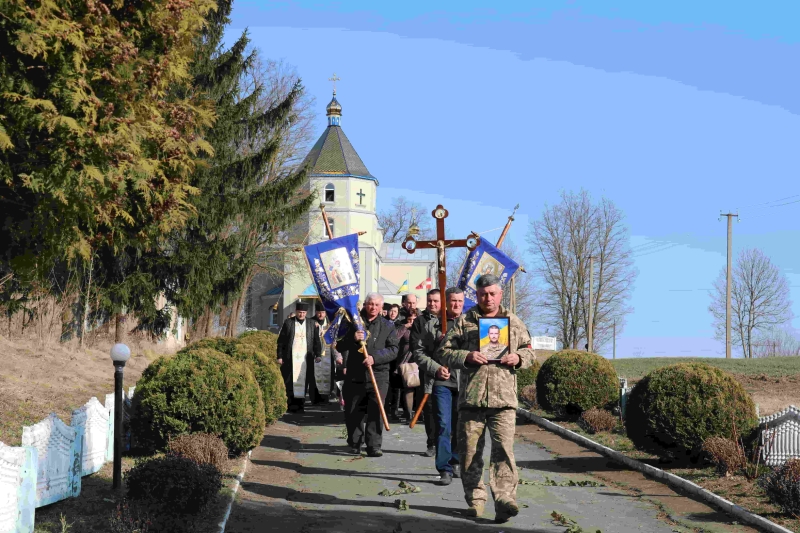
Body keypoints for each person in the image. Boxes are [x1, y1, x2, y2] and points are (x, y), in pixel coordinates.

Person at [437, 274, 535, 523]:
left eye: (492, 293)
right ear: (476, 295)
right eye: (483, 294)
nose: (488, 298)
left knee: (503, 451)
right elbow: (444, 352)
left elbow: (530, 351)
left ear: (500, 294)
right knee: (470, 453)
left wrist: (519, 358)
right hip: (472, 399)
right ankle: (476, 500)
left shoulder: (513, 321)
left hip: (504, 401)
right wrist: (466, 357)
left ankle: (504, 500)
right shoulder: (464, 322)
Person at [413, 287, 464, 484]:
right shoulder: (432, 325)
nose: (456, 305)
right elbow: (419, 352)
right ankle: (444, 469)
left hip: (464, 382)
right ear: (446, 302)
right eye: (452, 301)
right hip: (441, 382)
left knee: (460, 426)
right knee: (443, 425)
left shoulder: (470, 324)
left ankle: (456, 460)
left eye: (459, 301)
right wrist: (435, 368)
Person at [338, 293, 399, 457]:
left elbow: (394, 350)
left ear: (381, 307)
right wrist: (352, 338)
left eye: (376, 305)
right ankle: (355, 442)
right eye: (370, 304)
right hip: (355, 374)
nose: (373, 308)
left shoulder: (388, 326)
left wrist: (375, 358)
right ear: (365, 304)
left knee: (376, 410)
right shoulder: (353, 323)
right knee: (353, 410)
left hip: (378, 375)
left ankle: (374, 445)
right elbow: (338, 344)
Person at [408, 289, 441, 457]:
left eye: (436, 300)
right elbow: (416, 346)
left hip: (449, 372)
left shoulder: (448, 320)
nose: (432, 304)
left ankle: (447, 444)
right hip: (428, 369)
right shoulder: (420, 322)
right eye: (430, 301)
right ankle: (432, 443)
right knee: (429, 408)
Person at [276, 302, 323, 412]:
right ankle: (290, 405)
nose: (301, 314)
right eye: (299, 312)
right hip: (290, 358)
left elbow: (316, 341)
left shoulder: (311, 323)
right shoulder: (288, 323)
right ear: (296, 312)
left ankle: (301, 406)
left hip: (306, 359)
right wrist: (280, 356)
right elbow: (281, 341)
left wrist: (318, 354)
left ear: (306, 313)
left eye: (303, 312)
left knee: (304, 382)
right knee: (290, 382)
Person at [394, 306, 419, 422]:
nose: (411, 322)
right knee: (408, 387)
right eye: (409, 319)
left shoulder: (420, 328)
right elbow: (395, 338)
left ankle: (419, 413)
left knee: (419, 388)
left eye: (414, 319)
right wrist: (405, 327)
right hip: (405, 361)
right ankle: (409, 414)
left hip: (418, 360)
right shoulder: (402, 327)